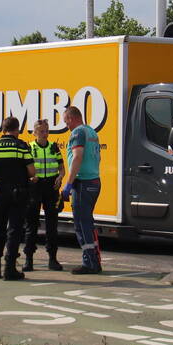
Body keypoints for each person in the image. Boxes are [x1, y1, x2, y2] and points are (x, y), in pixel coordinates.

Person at [0, 116, 35, 280]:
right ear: (17, 130)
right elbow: (32, 171)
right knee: (14, 230)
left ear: (3, 129)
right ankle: (10, 268)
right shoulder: (21, 146)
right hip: (17, 194)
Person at [61, 105, 102, 274]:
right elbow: (97, 157)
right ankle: (95, 260)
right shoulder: (92, 132)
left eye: (66, 122)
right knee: (88, 223)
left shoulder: (77, 133)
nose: (66, 126)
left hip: (82, 183)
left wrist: (69, 184)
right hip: (94, 181)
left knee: (81, 224)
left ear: (71, 118)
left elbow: (77, 157)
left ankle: (89, 263)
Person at [23, 118, 64, 271]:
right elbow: (24, 169)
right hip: (35, 187)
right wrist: (29, 177)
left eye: (46, 131)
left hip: (51, 187)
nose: (45, 134)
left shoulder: (54, 147)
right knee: (31, 224)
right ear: (34, 133)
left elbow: (62, 168)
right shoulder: (29, 147)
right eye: (41, 131)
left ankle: (53, 258)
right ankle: (29, 259)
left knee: (52, 224)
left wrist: (60, 177)